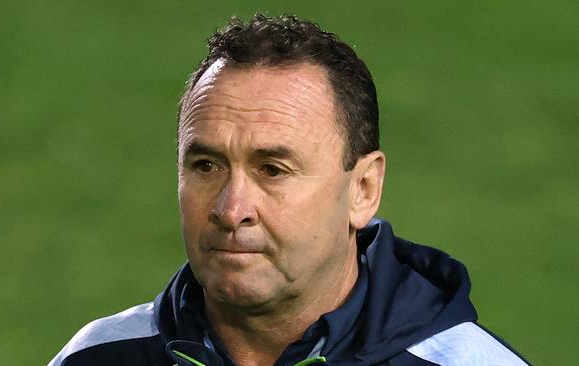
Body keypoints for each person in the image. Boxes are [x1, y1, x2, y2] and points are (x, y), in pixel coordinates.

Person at [48, 14, 529, 366]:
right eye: (207, 165)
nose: (231, 209)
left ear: (363, 189)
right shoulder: (97, 358)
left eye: (273, 169)